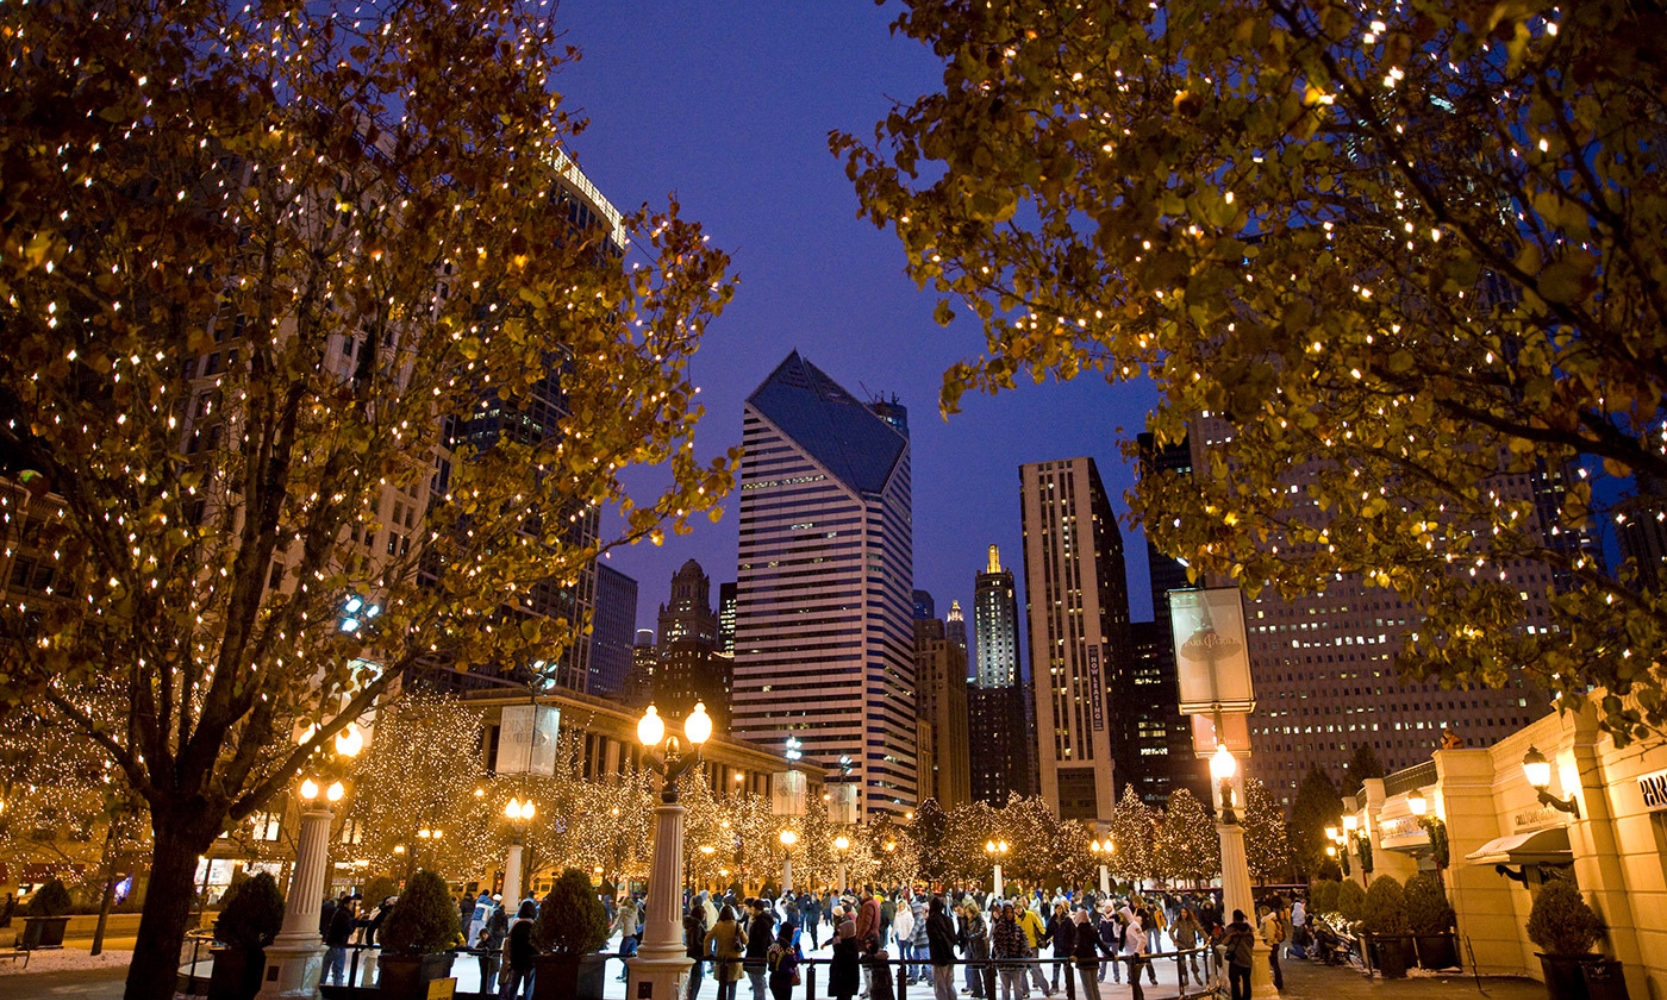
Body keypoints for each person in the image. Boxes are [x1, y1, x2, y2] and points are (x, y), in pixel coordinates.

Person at [1071, 907, 1115, 1000]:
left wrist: (1074, 955)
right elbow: (1100, 944)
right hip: (1093, 959)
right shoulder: (1093, 929)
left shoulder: (1079, 930)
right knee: (1094, 987)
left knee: (1087, 987)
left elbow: (1079, 945)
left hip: (1083, 961)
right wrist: (1111, 954)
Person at [706, 904, 748, 1000]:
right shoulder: (736, 925)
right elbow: (746, 940)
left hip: (721, 957)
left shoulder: (718, 926)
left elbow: (707, 939)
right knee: (732, 986)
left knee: (722, 985)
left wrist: (707, 953)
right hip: (734, 958)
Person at [991, 901, 1032, 1000]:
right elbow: (996, 943)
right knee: (1005, 988)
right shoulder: (999, 928)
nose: (1009, 915)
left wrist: (1023, 954)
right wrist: (1001, 955)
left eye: (1011, 912)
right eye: (1007, 912)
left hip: (1016, 964)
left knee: (1018, 988)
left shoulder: (1017, 928)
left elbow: (1024, 941)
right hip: (1004, 964)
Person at [1018, 899, 1054, 997]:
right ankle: (1025, 991)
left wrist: (1045, 937)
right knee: (1021, 971)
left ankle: (1045, 989)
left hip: (1032, 946)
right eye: (1016, 909)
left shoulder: (1030, 915)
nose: (1017, 911)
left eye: (1019, 908)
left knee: (1036, 969)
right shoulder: (1014, 919)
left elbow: (1040, 927)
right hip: (1020, 948)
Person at [926, 896, 959, 1000]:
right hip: (950, 954)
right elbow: (953, 937)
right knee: (949, 984)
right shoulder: (948, 919)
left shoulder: (931, 920)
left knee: (940, 986)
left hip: (939, 956)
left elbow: (935, 938)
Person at [743, 898, 775, 1000]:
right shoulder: (761, 921)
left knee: (758, 985)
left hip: (756, 956)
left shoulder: (761, 922)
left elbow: (761, 941)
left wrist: (753, 949)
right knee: (758, 984)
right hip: (757, 956)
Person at [1223, 909, 1257, 1000]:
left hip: (1236, 959)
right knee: (1247, 981)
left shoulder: (1231, 929)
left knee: (1234, 981)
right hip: (1247, 958)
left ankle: (1236, 998)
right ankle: (1246, 998)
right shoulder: (1249, 929)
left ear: (1234, 917)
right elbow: (1252, 943)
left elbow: (1225, 942)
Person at [323, 896, 356, 986]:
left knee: (325, 968)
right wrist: (354, 923)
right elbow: (348, 930)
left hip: (331, 943)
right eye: (352, 904)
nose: (353, 906)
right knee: (338, 969)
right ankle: (338, 988)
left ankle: (320, 985)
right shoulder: (345, 915)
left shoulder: (337, 912)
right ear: (346, 904)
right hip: (339, 944)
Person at [963, 899, 991, 999]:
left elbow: (982, 930)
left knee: (985, 972)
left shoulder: (979, 919)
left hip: (981, 948)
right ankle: (977, 991)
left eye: (968, 912)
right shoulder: (968, 921)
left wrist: (973, 937)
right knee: (975, 971)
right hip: (973, 948)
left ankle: (988, 991)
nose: (967, 914)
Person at [1259, 898, 1287, 991]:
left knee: (1275, 964)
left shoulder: (1268, 922)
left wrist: (1268, 945)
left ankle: (1278, 982)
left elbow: (1270, 935)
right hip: (1274, 944)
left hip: (1272, 945)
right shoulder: (1269, 920)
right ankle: (1278, 981)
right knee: (1275, 964)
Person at [685, 899, 711, 1000]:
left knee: (691, 980)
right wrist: (705, 946)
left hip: (689, 954)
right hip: (696, 955)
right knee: (696, 981)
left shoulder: (689, 924)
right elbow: (696, 942)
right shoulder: (697, 926)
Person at [1121, 907, 1149, 1000]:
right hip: (1131, 957)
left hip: (1137, 958)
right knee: (1134, 981)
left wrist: (1137, 952)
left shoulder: (1133, 926)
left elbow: (1142, 939)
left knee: (1135, 981)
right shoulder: (1127, 927)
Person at [1172, 906, 1204, 986]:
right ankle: (1185, 977)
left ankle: (1196, 975)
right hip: (1181, 943)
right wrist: (1174, 940)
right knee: (1182, 962)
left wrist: (1207, 939)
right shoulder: (1178, 921)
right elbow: (1171, 931)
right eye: (1182, 912)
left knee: (1193, 961)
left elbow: (1200, 930)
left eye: (1185, 912)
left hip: (1190, 943)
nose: (1183, 914)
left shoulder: (1192, 921)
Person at [768, 923, 801, 1000]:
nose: (793, 935)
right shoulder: (787, 947)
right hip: (784, 980)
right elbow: (793, 961)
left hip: (773, 978)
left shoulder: (773, 945)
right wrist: (797, 951)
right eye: (792, 933)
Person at [830, 919, 862, 1000]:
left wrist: (837, 945)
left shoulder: (851, 944)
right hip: (843, 980)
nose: (840, 932)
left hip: (846, 981)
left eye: (841, 930)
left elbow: (843, 957)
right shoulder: (845, 942)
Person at [1046, 901, 1073, 993]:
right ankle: (1055, 985)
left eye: (1060, 908)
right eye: (1057, 908)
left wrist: (1072, 945)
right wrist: (1044, 940)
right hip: (1057, 947)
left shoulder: (1067, 920)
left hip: (1066, 948)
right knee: (1056, 968)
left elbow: (1073, 933)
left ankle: (1069, 985)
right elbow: (1048, 932)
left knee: (1067, 968)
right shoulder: (1052, 920)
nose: (1059, 910)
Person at [613, 893, 641, 982]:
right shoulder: (634, 911)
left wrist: (609, 935)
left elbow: (617, 924)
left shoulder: (623, 911)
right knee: (630, 956)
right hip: (634, 935)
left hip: (627, 935)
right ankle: (625, 974)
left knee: (622, 955)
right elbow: (637, 923)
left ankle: (628, 972)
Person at [894, 894, 917, 982]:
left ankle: (911, 970)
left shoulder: (908, 915)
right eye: (899, 906)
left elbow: (910, 927)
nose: (900, 907)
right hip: (901, 937)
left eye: (901, 906)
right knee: (901, 955)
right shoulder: (898, 914)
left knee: (908, 954)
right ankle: (902, 969)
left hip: (907, 938)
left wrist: (910, 938)